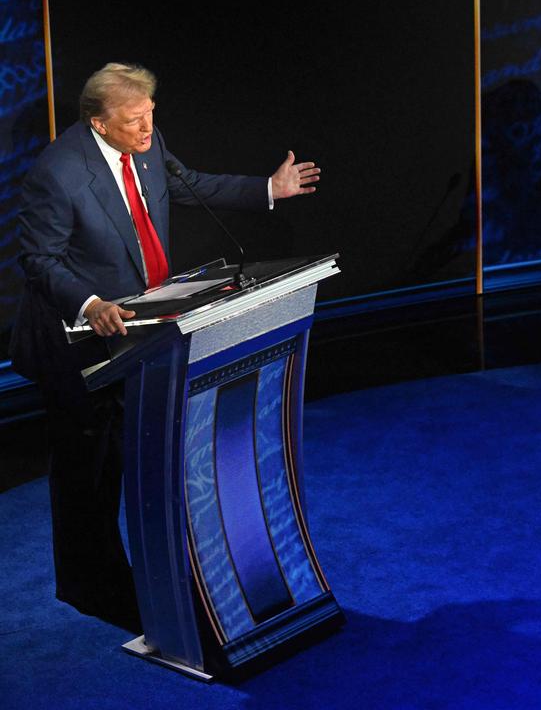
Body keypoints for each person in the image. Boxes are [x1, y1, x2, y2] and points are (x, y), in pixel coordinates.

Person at [8, 62, 319, 630]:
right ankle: (89, 585)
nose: (148, 129)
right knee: (89, 469)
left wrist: (267, 189)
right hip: (77, 343)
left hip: (143, 334)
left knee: (139, 455)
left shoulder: (147, 143)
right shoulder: (57, 173)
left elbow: (189, 183)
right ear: (99, 123)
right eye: (134, 121)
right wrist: (90, 304)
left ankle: (153, 575)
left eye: (151, 115)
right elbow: (40, 262)